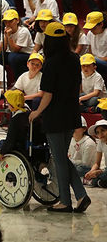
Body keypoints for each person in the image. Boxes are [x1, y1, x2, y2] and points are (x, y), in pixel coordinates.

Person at [29, 22, 91, 212]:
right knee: (61, 158)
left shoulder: (51, 62)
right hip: (71, 113)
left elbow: (48, 94)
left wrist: (36, 113)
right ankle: (80, 196)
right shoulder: (74, 58)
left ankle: (65, 201)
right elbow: (78, 88)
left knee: (59, 158)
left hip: (55, 116)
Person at [82, 11, 107, 78]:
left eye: (94, 28)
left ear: (101, 24)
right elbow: (90, 52)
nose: (91, 30)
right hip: (93, 61)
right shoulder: (90, 33)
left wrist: (93, 61)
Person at [83, 120, 107, 187]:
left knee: (105, 174)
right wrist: (91, 172)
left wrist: (100, 172)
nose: (100, 134)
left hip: (105, 171)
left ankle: (95, 182)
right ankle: (99, 182)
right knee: (80, 169)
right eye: (97, 133)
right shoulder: (100, 143)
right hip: (105, 170)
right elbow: (97, 163)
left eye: (103, 130)